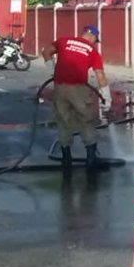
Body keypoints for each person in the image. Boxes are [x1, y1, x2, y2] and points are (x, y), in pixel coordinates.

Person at [41, 24, 112, 175]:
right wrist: (106, 96)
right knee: (85, 120)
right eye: (95, 39)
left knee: (63, 121)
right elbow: (100, 75)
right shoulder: (92, 51)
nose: (94, 42)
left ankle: (66, 160)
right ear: (92, 36)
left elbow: (46, 51)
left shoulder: (64, 41)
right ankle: (91, 160)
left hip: (60, 87)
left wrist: (51, 69)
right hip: (78, 88)